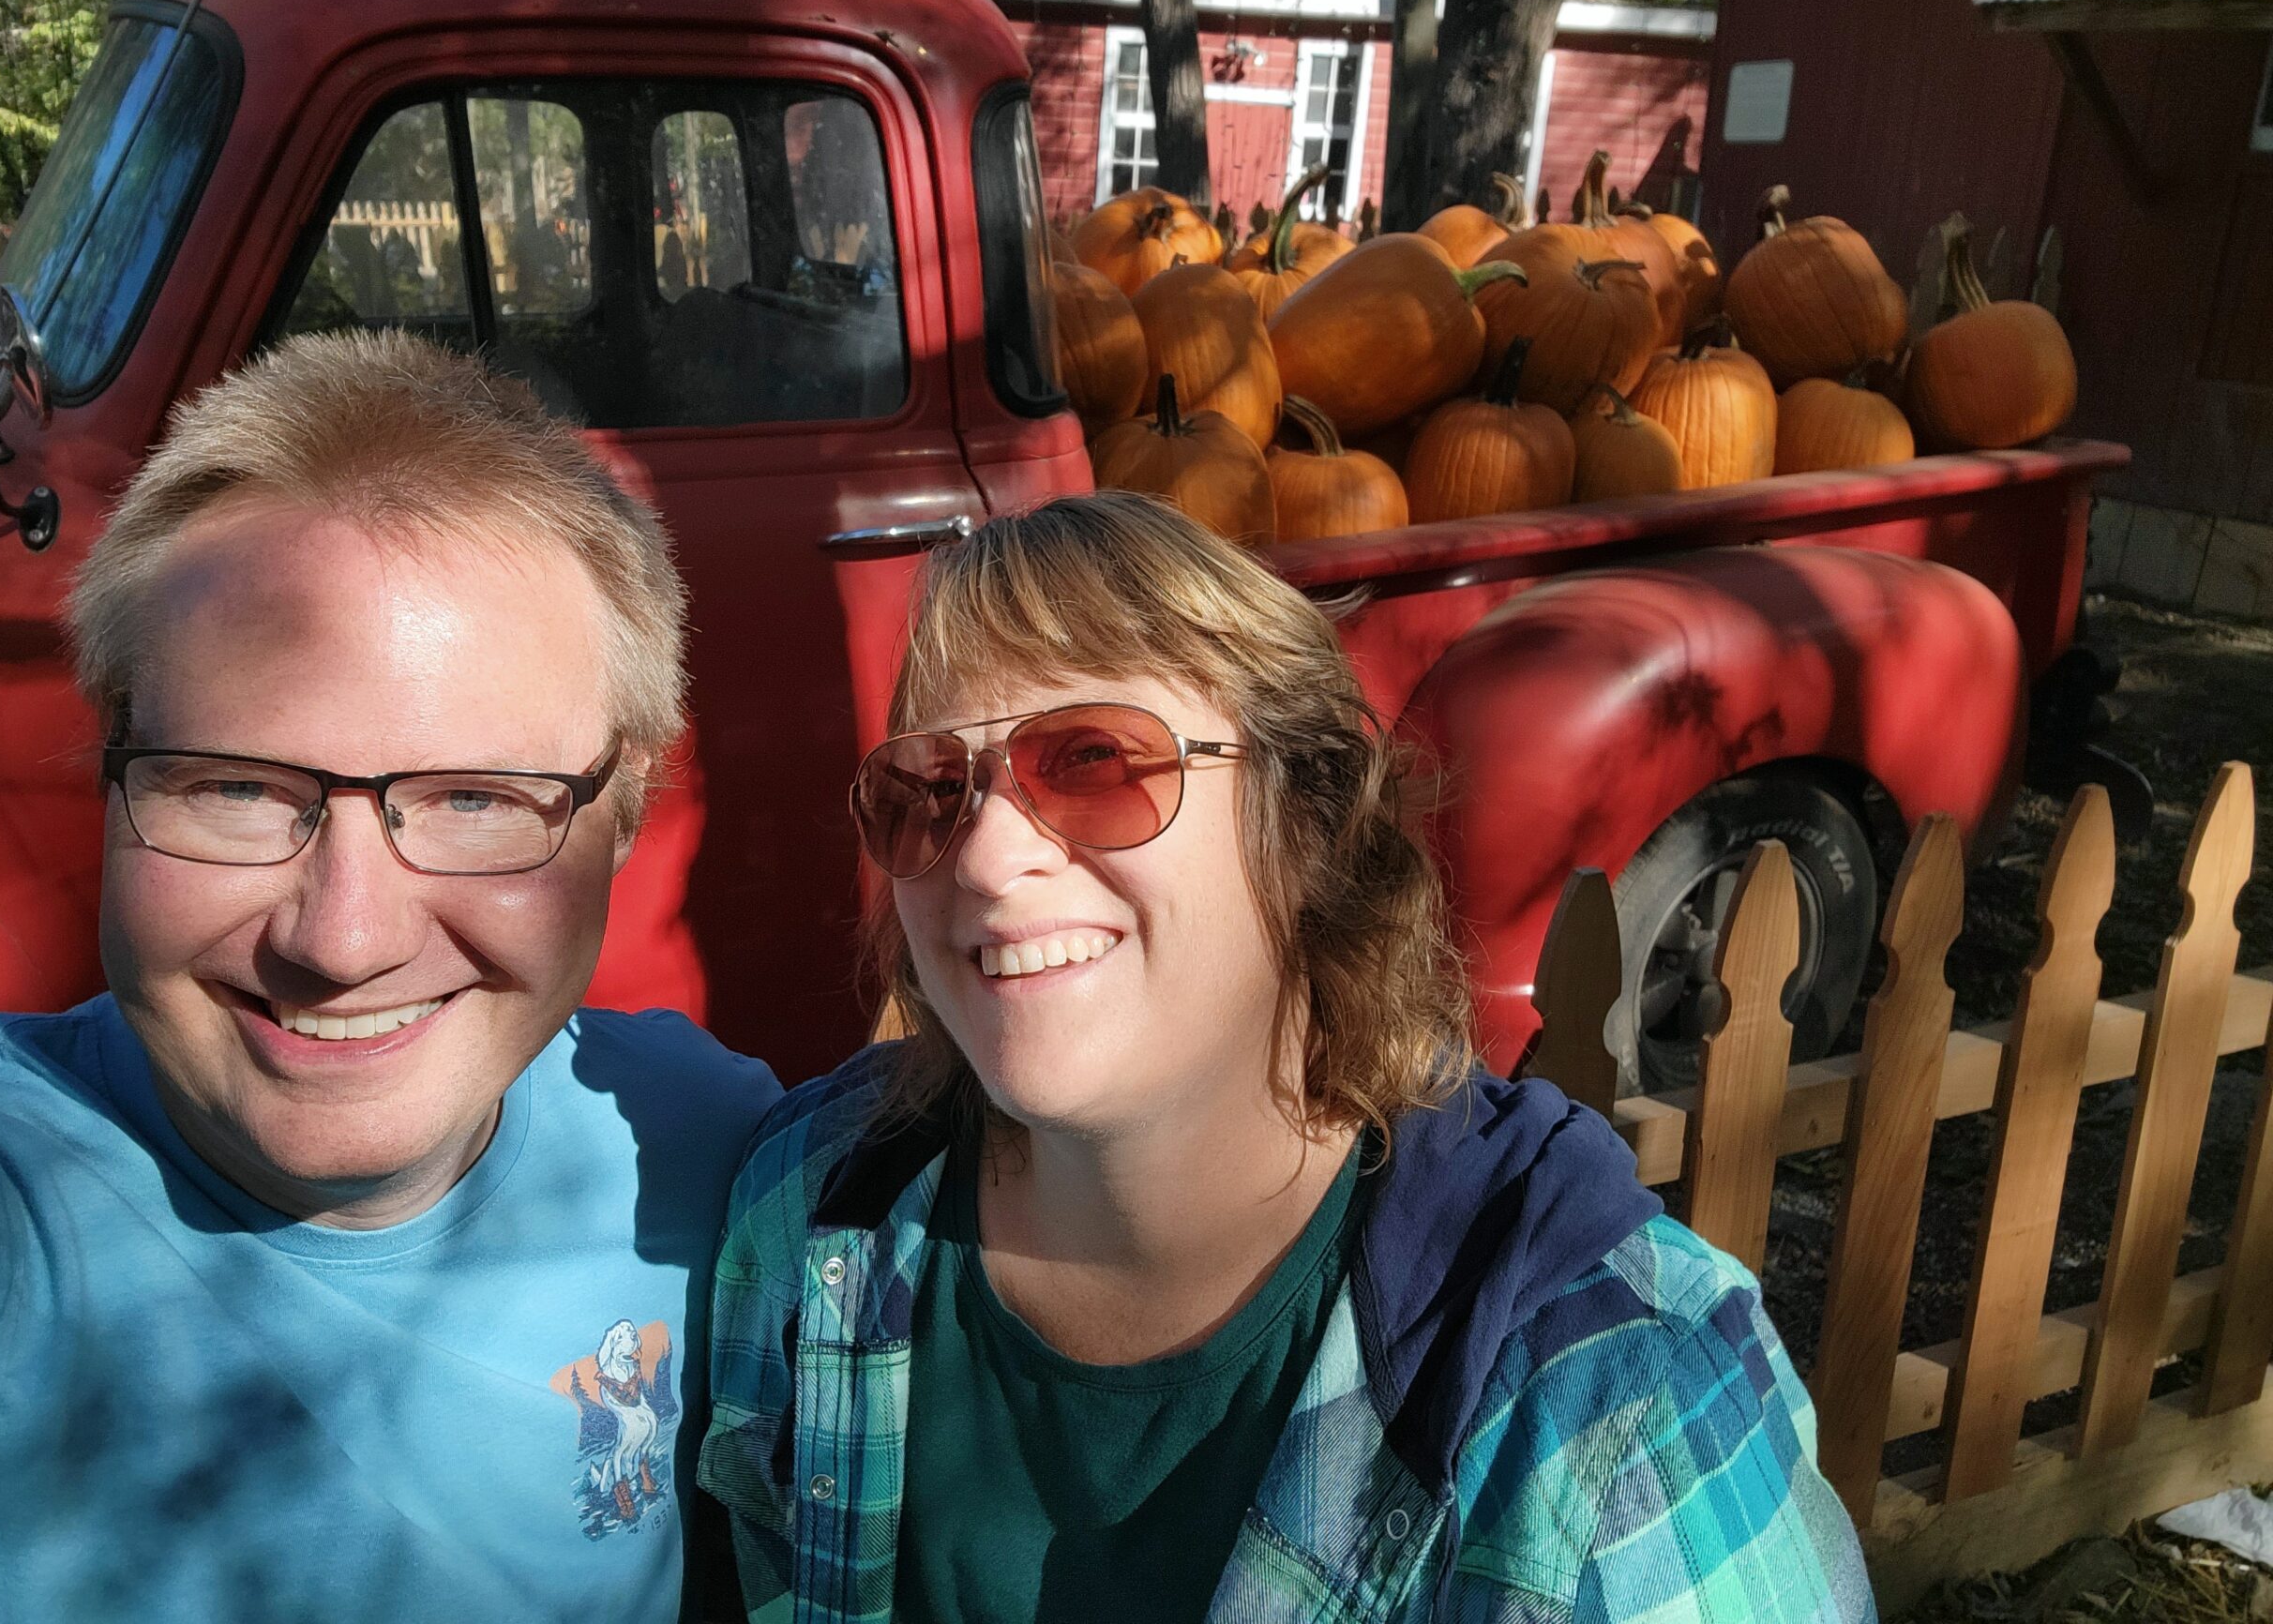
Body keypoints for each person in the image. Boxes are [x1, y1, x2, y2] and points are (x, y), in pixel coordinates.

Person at [697, 490, 1874, 1623]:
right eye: (931, 791)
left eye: (1097, 762)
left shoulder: (1610, 1400)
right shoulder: (807, 1212)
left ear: (1302, 821)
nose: (989, 860)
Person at [0, 332, 781, 1622]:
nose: (342, 941)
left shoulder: (713, 1157)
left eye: (477, 798)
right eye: (236, 787)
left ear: (623, 817)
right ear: (110, 775)